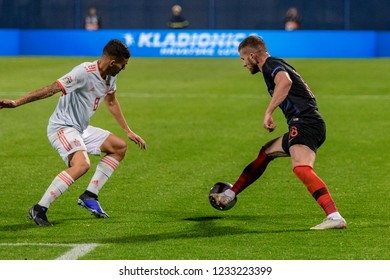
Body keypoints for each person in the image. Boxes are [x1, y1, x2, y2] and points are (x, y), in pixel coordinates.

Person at [0, 39, 147, 226]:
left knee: (119, 147)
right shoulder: (83, 72)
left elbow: (111, 102)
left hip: (80, 129)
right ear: (112, 62)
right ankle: (39, 208)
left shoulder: (111, 76)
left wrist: (128, 130)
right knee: (82, 164)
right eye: (123, 65)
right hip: (62, 127)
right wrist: (16, 103)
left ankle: (90, 195)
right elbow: (51, 89)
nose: (123, 69)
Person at [210, 35, 346, 230]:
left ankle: (334, 216)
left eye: (243, 59)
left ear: (252, 55)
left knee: (301, 168)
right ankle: (230, 194)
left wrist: (268, 112)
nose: (243, 64)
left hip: (306, 124)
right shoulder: (275, 64)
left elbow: (285, 82)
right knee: (266, 152)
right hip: (306, 123)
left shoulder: (270, 64)